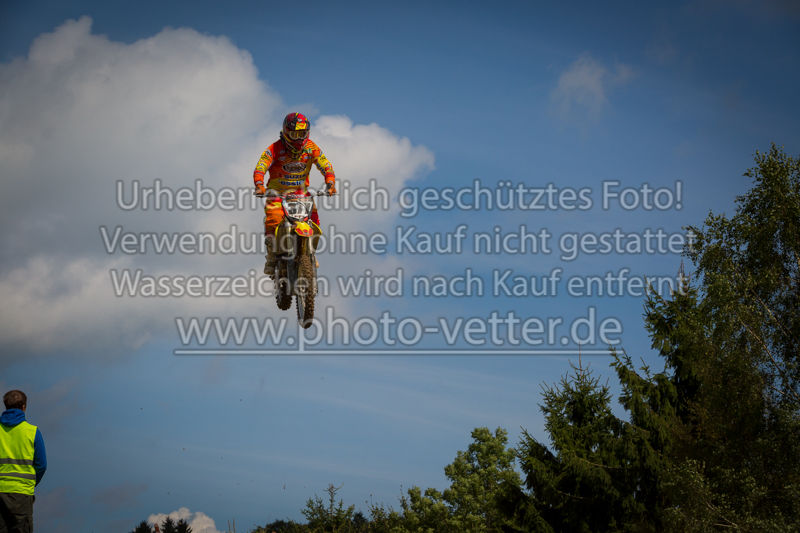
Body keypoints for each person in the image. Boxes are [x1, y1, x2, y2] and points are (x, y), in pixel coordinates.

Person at [253, 112, 336, 273]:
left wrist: (330, 183)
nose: (299, 139)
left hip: (301, 194)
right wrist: (259, 185)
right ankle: (271, 256)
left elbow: (325, 165)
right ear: (286, 132)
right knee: (273, 220)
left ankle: (309, 252)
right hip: (277, 194)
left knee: (314, 220)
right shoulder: (274, 149)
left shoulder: (311, 148)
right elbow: (261, 167)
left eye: (302, 134)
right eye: (295, 134)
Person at [0, 390, 46, 533]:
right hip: (22, 495)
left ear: (6, 406)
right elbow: (41, 465)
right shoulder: (33, 432)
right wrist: (29, 483)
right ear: (24, 407)